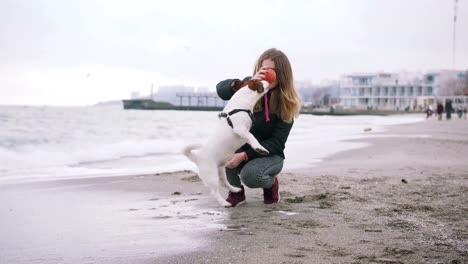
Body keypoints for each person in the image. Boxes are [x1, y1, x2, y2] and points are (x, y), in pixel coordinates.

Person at [216, 48, 301, 207]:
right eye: (265, 69)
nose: (268, 74)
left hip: (271, 155)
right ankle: (236, 192)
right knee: (224, 145)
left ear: (282, 74)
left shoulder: (286, 103)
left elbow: (277, 143)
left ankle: (271, 185)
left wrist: (244, 156)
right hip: (243, 148)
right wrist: (245, 85)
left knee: (251, 176)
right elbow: (220, 90)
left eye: (273, 71)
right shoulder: (249, 87)